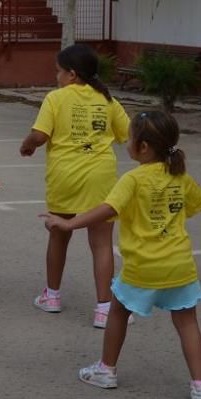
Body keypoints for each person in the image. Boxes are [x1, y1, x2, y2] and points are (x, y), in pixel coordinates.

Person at [41, 111, 201, 399]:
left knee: (118, 312)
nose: (126, 142)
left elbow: (106, 208)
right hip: (180, 266)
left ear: (144, 147)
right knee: (187, 322)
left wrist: (69, 223)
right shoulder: (180, 176)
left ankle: (106, 370)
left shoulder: (133, 179)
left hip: (142, 266)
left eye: (130, 138)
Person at [20, 44, 130, 327]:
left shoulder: (56, 98)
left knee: (58, 235)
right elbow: (127, 133)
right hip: (101, 177)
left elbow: (39, 134)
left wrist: (27, 145)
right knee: (102, 243)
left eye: (58, 72)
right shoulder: (108, 100)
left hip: (65, 176)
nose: (56, 77)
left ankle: (52, 296)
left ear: (71, 74)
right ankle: (105, 308)